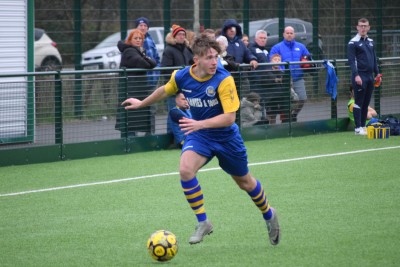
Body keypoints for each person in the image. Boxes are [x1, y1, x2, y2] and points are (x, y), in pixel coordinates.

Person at [121, 37, 280, 246]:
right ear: (196, 60)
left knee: (245, 183)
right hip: (201, 135)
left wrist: (199, 124)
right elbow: (165, 90)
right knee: (186, 170)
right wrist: (142, 102)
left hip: (226, 137)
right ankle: (203, 222)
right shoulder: (182, 76)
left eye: (216, 57)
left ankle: (269, 214)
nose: (214, 62)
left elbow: (230, 118)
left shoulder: (224, 79)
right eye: (209, 58)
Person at [115, 29, 157, 137]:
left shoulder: (139, 51)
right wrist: (145, 58)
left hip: (137, 88)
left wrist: (145, 57)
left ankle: (133, 141)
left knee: (136, 115)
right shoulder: (129, 51)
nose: (138, 40)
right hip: (130, 88)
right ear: (130, 40)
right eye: (135, 38)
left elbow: (153, 63)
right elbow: (146, 64)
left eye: (140, 38)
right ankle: (128, 143)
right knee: (130, 116)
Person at [347, 18, 382, 135]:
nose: (363, 28)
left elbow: (374, 60)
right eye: (361, 26)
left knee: (366, 102)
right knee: (359, 102)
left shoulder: (371, 42)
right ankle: (357, 129)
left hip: (370, 77)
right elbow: (352, 61)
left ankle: (363, 126)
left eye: (365, 26)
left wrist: (377, 73)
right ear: (357, 27)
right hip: (360, 76)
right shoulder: (353, 42)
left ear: (368, 27)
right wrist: (356, 75)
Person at [269, 26, 312, 122]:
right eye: (287, 33)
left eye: (291, 33)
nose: (289, 35)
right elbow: (272, 61)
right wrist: (281, 72)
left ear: (294, 34)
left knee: (302, 98)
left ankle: (293, 115)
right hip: (285, 80)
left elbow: (308, 58)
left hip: (298, 77)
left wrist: (308, 62)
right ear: (283, 34)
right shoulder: (277, 47)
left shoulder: (301, 46)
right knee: (284, 101)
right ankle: (284, 119)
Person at [161, 24, 194, 133]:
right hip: (174, 89)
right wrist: (177, 90)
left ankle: (184, 137)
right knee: (173, 112)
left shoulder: (187, 50)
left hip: (187, 88)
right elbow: (166, 70)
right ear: (174, 36)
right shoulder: (169, 50)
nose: (182, 36)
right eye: (179, 34)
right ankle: (171, 138)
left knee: (186, 114)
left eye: (183, 34)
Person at [222, 19, 258, 96]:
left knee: (242, 99)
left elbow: (248, 53)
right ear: (225, 30)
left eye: (234, 28)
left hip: (241, 77)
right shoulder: (221, 41)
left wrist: (252, 59)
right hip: (227, 77)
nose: (232, 30)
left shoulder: (240, 43)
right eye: (229, 28)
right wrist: (233, 64)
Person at [248, 30, 269, 120]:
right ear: (256, 39)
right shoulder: (251, 49)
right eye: (261, 38)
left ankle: (263, 121)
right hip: (256, 81)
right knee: (255, 103)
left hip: (265, 81)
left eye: (264, 38)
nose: (263, 40)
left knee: (263, 103)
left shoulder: (265, 51)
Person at [264, 54, 291, 124]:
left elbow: (288, 82)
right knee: (272, 115)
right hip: (271, 98)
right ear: (271, 61)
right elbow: (272, 80)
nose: (277, 61)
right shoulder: (267, 71)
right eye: (275, 59)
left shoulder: (282, 72)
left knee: (287, 111)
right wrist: (278, 80)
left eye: (279, 60)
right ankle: (271, 130)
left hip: (282, 96)